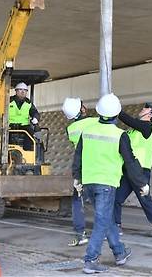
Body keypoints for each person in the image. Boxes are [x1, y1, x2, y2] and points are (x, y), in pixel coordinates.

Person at [72, 93, 149, 274]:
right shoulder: (120, 135)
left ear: (99, 112)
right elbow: (131, 163)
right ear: (116, 114)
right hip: (106, 184)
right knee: (101, 221)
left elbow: (78, 156)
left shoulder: (87, 131)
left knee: (105, 219)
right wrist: (142, 184)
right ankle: (91, 260)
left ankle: (119, 252)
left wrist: (77, 178)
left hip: (89, 182)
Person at [114, 103, 152, 237]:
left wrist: (116, 109)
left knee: (144, 198)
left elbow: (130, 120)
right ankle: (115, 226)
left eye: (146, 108)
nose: (143, 108)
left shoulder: (148, 127)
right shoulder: (132, 130)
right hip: (127, 169)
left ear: (151, 114)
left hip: (140, 171)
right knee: (116, 198)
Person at [61, 97, 97, 247]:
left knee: (77, 201)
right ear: (82, 109)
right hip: (100, 167)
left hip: (82, 169)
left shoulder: (71, 130)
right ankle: (108, 231)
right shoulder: (95, 122)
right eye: (83, 105)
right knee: (101, 202)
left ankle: (80, 234)